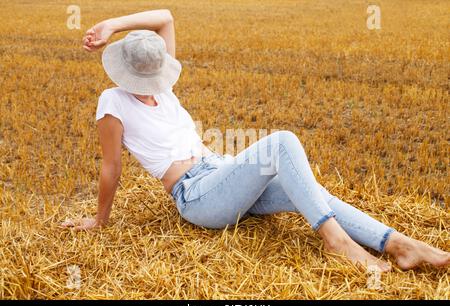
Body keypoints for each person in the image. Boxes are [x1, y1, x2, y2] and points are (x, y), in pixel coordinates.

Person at [62, 9, 450, 272]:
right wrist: (100, 221)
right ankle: (338, 242)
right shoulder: (112, 103)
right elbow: (111, 167)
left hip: (222, 174)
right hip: (196, 196)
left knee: (312, 193)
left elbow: (165, 16)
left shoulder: (163, 85)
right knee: (282, 143)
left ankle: (399, 244)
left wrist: (112, 23)